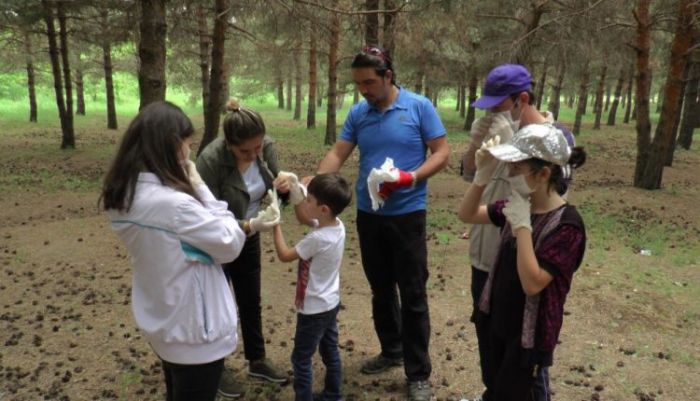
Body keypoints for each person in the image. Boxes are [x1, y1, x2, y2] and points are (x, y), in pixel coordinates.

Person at [306, 45, 449, 401]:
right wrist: (315, 182)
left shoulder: (419, 107)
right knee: (381, 289)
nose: (364, 90)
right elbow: (339, 152)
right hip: (370, 216)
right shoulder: (359, 112)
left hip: (408, 215)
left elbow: (442, 152)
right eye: (358, 84)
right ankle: (391, 350)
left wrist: (411, 177)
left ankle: (418, 374)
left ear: (388, 76)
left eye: (369, 82)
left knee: (413, 294)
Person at [100, 101, 247, 401]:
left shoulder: (124, 195)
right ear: (171, 146)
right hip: (196, 334)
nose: (189, 153)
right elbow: (231, 242)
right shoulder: (176, 206)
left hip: (165, 322)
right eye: (188, 145)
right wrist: (199, 186)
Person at [458, 64, 576, 401]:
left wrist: (512, 147)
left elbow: (553, 194)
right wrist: (477, 148)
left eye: (497, 105)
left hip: (526, 260)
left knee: (523, 359)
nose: (493, 112)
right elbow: (469, 183)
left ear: (521, 99)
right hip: (488, 255)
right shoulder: (497, 135)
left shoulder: (557, 138)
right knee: (491, 346)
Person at [196, 98, 291, 398]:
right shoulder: (210, 161)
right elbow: (206, 218)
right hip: (219, 241)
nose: (253, 155)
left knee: (251, 299)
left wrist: (285, 189)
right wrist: (247, 225)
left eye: (258, 148)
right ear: (229, 143)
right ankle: (215, 367)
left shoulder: (266, 148)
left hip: (249, 235)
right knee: (217, 305)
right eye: (244, 151)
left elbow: (277, 189)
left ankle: (257, 359)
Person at [271, 173, 352, 401]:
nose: (307, 203)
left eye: (310, 200)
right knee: (330, 352)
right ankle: (333, 395)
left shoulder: (316, 239)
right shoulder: (337, 226)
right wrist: (298, 198)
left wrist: (275, 224)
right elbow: (305, 218)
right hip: (331, 303)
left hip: (313, 309)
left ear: (324, 209)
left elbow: (285, 255)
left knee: (301, 359)